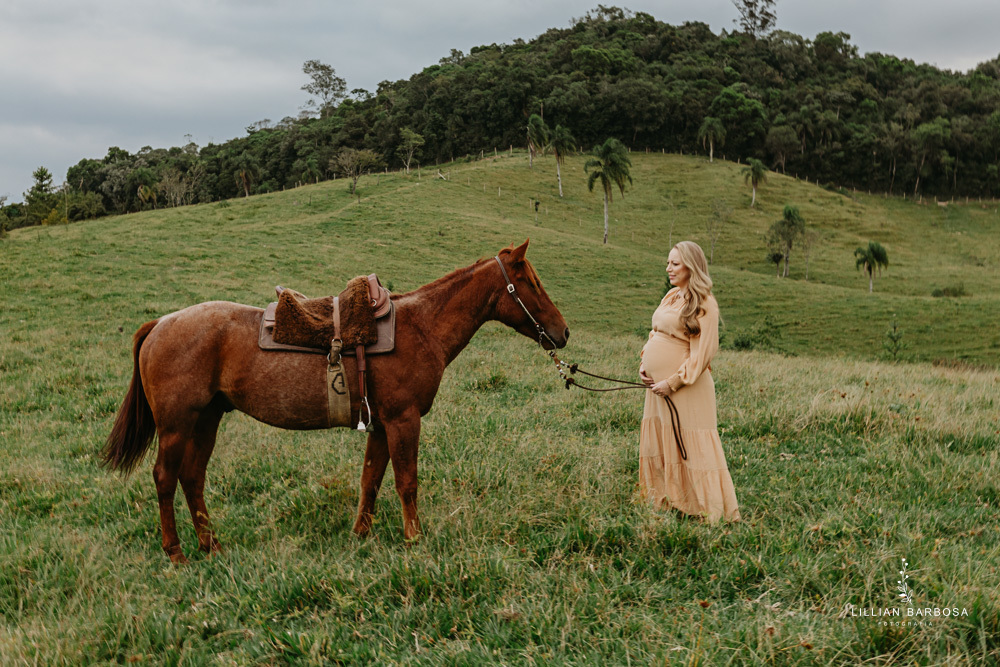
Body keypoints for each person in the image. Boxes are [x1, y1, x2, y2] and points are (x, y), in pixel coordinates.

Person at [638, 241, 740, 522]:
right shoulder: (671, 297)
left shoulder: (705, 303)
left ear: (691, 267)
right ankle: (669, 501)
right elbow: (655, 332)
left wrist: (672, 382)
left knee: (690, 445)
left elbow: (702, 354)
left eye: (675, 263)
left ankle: (708, 509)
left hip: (686, 388)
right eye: (668, 262)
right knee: (661, 441)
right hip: (656, 387)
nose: (668, 268)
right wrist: (644, 364)